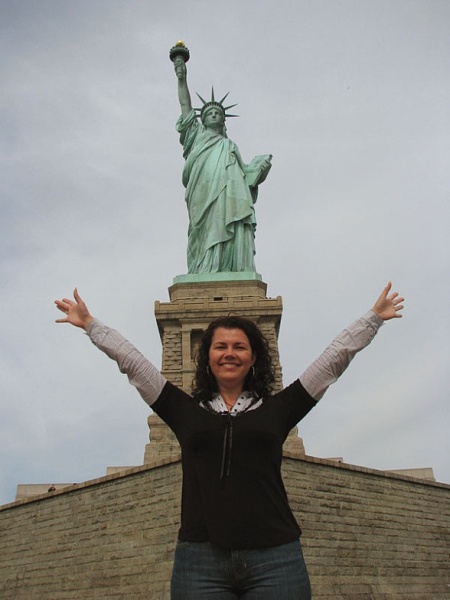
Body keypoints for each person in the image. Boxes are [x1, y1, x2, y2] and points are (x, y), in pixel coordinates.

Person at [55, 282, 404, 599]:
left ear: (253, 358)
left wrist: (372, 319)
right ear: (207, 357)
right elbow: (134, 364)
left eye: (239, 346)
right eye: (220, 346)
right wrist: (90, 324)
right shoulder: (184, 411)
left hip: (276, 558)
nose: (229, 353)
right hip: (199, 562)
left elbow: (330, 363)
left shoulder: (278, 410)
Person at [173, 55, 272, 274]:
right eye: (209, 113)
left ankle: (226, 266)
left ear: (223, 121)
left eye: (218, 113)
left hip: (228, 197)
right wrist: (182, 77)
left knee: (227, 223)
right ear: (204, 119)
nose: (214, 115)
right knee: (204, 229)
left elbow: (244, 176)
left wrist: (259, 171)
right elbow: (184, 105)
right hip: (202, 192)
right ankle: (204, 268)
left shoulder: (230, 146)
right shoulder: (196, 136)